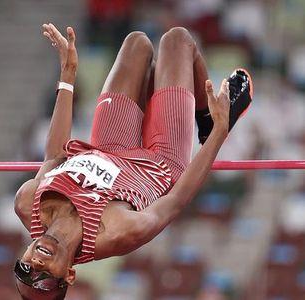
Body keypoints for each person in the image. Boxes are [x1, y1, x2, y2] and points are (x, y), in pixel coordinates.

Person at [13, 23, 252, 299]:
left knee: (136, 44)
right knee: (177, 41)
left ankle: (163, 88)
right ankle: (207, 119)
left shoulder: (27, 202)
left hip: (108, 145)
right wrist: (219, 134)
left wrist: (67, 76)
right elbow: (176, 201)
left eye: (24, 271)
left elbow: (55, 156)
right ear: (69, 274)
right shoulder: (116, 232)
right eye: (43, 280)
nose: (36, 266)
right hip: (158, 163)